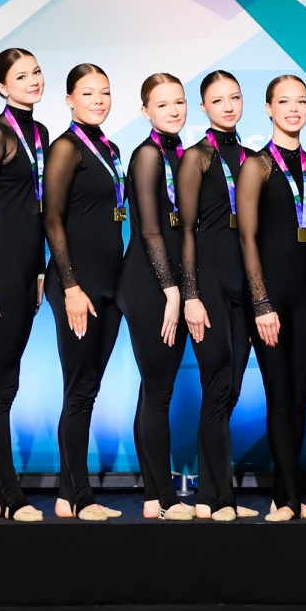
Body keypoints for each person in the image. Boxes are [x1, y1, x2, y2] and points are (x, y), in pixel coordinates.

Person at [237, 74, 306, 521]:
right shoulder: (256, 165)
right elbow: (247, 239)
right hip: (270, 299)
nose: (294, 109)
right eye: (284, 102)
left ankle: (288, 496)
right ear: (269, 109)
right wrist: (261, 304)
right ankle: (287, 499)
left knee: (301, 397)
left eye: (301, 101)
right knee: (279, 396)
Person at [0, 49, 48, 523]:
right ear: (2, 87)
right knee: (2, 385)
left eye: (36, 72)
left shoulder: (40, 134)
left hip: (25, 275)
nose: (32, 81)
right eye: (21, 76)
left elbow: (35, 211)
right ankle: (11, 495)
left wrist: (38, 271)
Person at [44, 63, 127, 521]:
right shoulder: (65, 148)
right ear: (69, 100)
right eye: (88, 93)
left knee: (89, 390)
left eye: (105, 92)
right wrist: (71, 286)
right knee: (78, 390)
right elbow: (52, 219)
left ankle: (65, 493)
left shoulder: (110, 148)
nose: (98, 100)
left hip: (110, 285)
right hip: (78, 286)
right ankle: (80, 497)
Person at [178, 72, 259, 521]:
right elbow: (187, 232)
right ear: (204, 107)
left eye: (235, 97)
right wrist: (190, 295)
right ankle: (216, 498)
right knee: (216, 388)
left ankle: (213, 494)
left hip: (243, 285)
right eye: (217, 100)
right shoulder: (196, 157)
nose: (228, 106)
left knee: (231, 392)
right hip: (207, 284)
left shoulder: (252, 159)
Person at [118, 73, 195, 520]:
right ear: (145, 111)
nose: (173, 110)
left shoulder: (182, 153)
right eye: (162, 104)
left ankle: (153, 494)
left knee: (155, 389)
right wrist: (172, 292)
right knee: (159, 390)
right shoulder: (147, 155)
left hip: (174, 285)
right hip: (150, 285)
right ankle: (162, 496)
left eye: (179, 102)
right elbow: (149, 230)